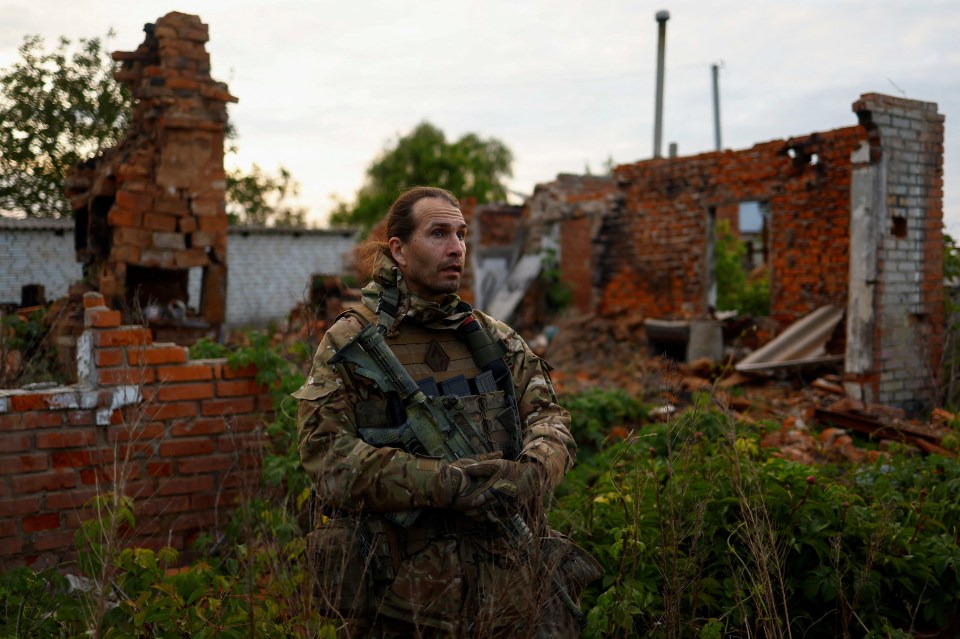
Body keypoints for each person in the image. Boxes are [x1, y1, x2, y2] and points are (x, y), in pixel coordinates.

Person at [293, 186, 601, 638]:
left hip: (506, 595)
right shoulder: (350, 342)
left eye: (461, 234)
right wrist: (446, 483)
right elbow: (327, 459)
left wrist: (531, 472)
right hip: (400, 606)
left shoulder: (492, 338)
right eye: (438, 233)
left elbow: (551, 419)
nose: (456, 247)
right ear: (398, 249)